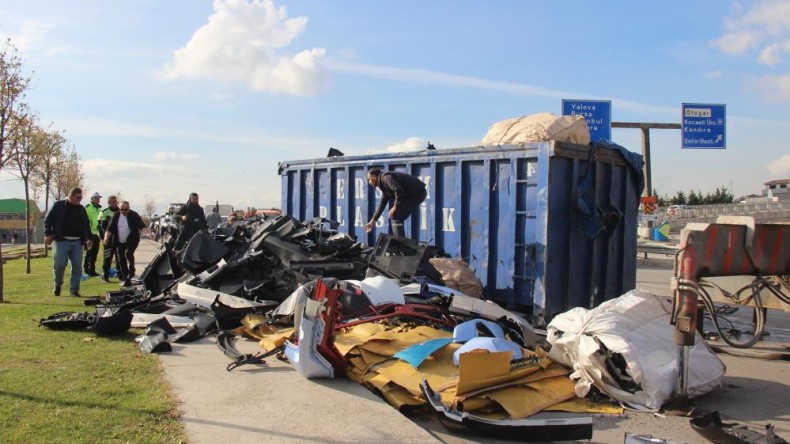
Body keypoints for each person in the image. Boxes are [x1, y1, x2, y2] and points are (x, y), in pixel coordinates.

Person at [44, 187, 92, 297]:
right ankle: (58, 284)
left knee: (77, 267)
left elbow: (86, 225)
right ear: (71, 196)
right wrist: (48, 234)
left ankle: (74, 290)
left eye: (81, 197)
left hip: (77, 242)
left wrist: (88, 239)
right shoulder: (59, 205)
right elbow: (48, 220)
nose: (80, 200)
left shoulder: (81, 209)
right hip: (61, 241)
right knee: (59, 265)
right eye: (78, 197)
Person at [364, 169, 427, 238]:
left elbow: (399, 190)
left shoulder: (386, 178)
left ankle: (400, 244)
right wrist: (373, 221)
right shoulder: (383, 184)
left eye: (369, 179)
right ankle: (400, 241)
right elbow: (382, 203)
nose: (369, 182)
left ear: (374, 177)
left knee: (395, 216)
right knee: (396, 216)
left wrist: (395, 207)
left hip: (416, 193)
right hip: (414, 194)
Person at [103, 201, 146, 287]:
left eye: (125, 209)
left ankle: (132, 269)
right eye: (121, 209)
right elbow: (110, 228)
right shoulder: (116, 215)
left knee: (128, 253)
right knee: (121, 260)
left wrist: (146, 232)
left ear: (129, 208)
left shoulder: (134, 215)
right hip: (119, 241)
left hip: (132, 240)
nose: (123, 211)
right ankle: (127, 279)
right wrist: (106, 238)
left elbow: (142, 226)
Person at [98, 195, 119, 282]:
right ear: (109, 203)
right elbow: (100, 227)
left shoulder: (120, 211)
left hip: (119, 239)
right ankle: (105, 276)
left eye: (115, 201)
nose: (114, 203)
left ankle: (120, 276)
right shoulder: (104, 212)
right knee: (107, 258)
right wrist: (103, 238)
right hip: (108, 240)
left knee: (119, 259)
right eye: (112, 202)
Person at [83, 192, 102, 277]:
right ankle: (87, 269)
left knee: (95, 253)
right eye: (96, 198)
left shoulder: (99, 209)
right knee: (89, 252)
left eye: (99, 198)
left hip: (96, 233)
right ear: (92, 199)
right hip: (89, 233)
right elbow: (85, 221)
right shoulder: (88, 208)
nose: (98, 200)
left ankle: (92, 270)